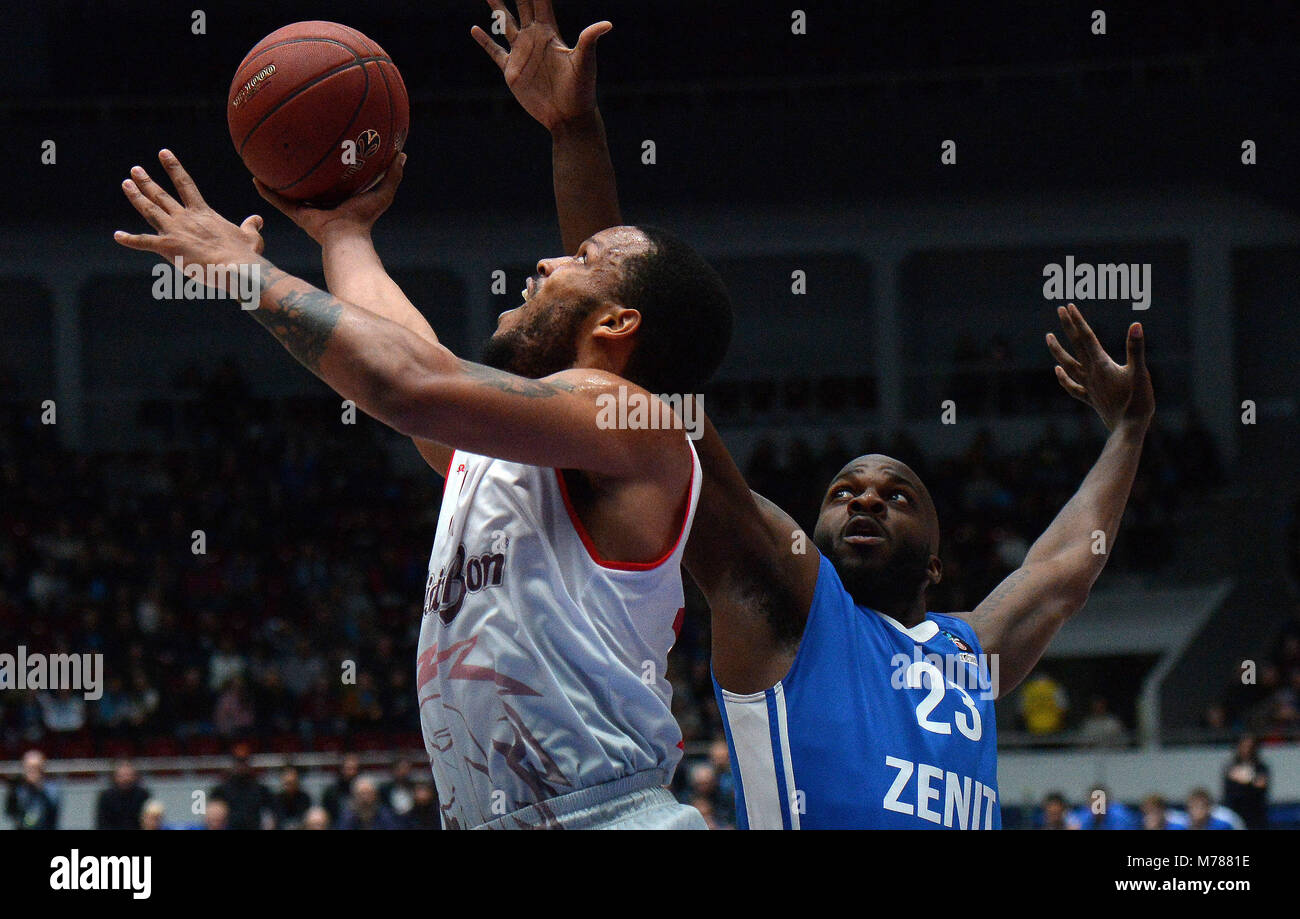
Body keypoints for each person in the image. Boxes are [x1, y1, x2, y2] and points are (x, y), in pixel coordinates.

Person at [463, 0, 1155, 829]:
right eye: (843, 493)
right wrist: (576, 134)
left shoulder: (966, 656)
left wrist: (1128, 431)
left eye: (897, 494)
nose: (863, 497)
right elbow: (631, 340)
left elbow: (1060, 573)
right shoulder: (787, 596)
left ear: (936, 564)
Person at [115, 94, 732, 830]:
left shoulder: (635, 421)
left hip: (606, 815)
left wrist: (248, 276)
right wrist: (343, 233)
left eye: (582, 260)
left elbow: (407, 383)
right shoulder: (519, 442)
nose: (546, 260)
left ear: (617, 321)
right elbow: (416, 360)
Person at [208, 745, 273, 831]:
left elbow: (272, 813)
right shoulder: (220, 790)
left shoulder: (261, 789)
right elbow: (212, 814)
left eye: (244, 761)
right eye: (238, 761)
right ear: (233, 763)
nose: (241, 765)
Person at [1222, 733, 1270, 829]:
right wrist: (1252, 779)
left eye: (1250, 746)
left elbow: (1261, 783)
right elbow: (1229, 787)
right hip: (1236, 811)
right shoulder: (1231, 766)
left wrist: (1246, 778)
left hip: (1256, 812)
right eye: (1244, 746)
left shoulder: (1261, 767)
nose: (1247, 750)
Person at [4, 750, 59, 830]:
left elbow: (52, 814)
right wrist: (12, 792)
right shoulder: (19, 790)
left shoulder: (51, 789)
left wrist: (39, 789)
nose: (33, 772)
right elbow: (10, 813)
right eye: (29, 768)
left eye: (36, 768)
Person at [95, 760, 151, 830]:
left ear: (135, 776)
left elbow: (150, 821)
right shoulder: (106, 796)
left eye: (128, 775)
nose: (126, 779)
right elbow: (102, 823)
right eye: (122, 775)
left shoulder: (143, 795)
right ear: (115, 777)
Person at [337, 776, 403, 831]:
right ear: (354, 796)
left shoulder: (386, 816)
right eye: (361, 794)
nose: (365, 798)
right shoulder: (346, 817)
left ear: (375, 795)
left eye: (368, 793)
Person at [270, 766, 313, 830]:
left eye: (292, 783)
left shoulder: (305, 798)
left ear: (297, 782)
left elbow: (304, 818)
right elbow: (277, 819)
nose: (290, 786)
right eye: (287, 783)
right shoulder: (276, 798)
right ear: (283, 782)